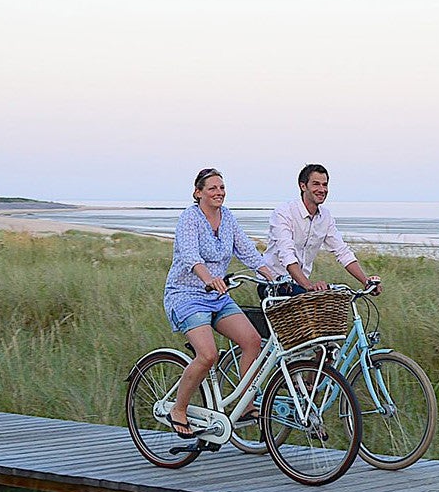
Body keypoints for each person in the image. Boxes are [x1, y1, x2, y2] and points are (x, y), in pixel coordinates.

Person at [162, 168, 277, 438]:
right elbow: (190, 256)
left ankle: (246, 404)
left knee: (252, 341)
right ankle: (179, 409)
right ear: (198, 192)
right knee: (208, 355)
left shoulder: (228, 219)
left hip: (217, 296)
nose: (219, 192)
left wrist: (273, 277)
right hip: (187, 294)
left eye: (222, 188)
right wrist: (209, 279)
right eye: (212, 188)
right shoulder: (189, 218)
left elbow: (248, 252)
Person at [261, 163, 380, 299]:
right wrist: (308, 286)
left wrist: (366, 282)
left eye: (325, 185)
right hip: (273, 283)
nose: (322, 189)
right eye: (316, 184)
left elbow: (342, 252)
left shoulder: (326, 217)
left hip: (299, 285)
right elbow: (287, 255)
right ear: (303, 186)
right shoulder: (284, 213)